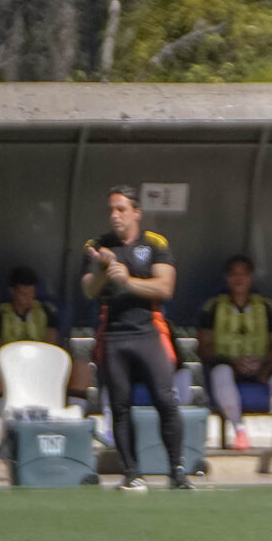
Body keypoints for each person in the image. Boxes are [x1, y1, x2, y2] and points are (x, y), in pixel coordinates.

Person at [82, 187, 189, 492]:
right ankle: (131, 473)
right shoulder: (98, 245)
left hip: (148, 332)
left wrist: (127, 281)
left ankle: (177, 472)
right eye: (111, 210)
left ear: (136, 212)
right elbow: (89, 290)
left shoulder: (154, 243)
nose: (115, 216)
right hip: (113, 335)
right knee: (120, 405)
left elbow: (165, 287)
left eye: (121, 209)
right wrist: (104, 269)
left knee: (165, 400)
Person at [199, 254, 272, 451]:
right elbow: (203, 348)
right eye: (234, 274)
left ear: (251, 277)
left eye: (243, 274)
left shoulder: (268, 307)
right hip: (229, 367)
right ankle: (240, 431)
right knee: (221, 372)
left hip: (261, 368)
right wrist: (231, 360)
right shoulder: (212, 308)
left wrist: (264, 364)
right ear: (227, 278)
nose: (239, 279)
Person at [0, 265, 84, 408]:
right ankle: (3, 411)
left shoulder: (47, 311)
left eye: (30, 293)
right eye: (22, 294)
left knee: (82, 368)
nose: (27, 298)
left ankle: (74, 411)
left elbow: (52, 348)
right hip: (11, 367)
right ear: (12, 292)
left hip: (41, 364)